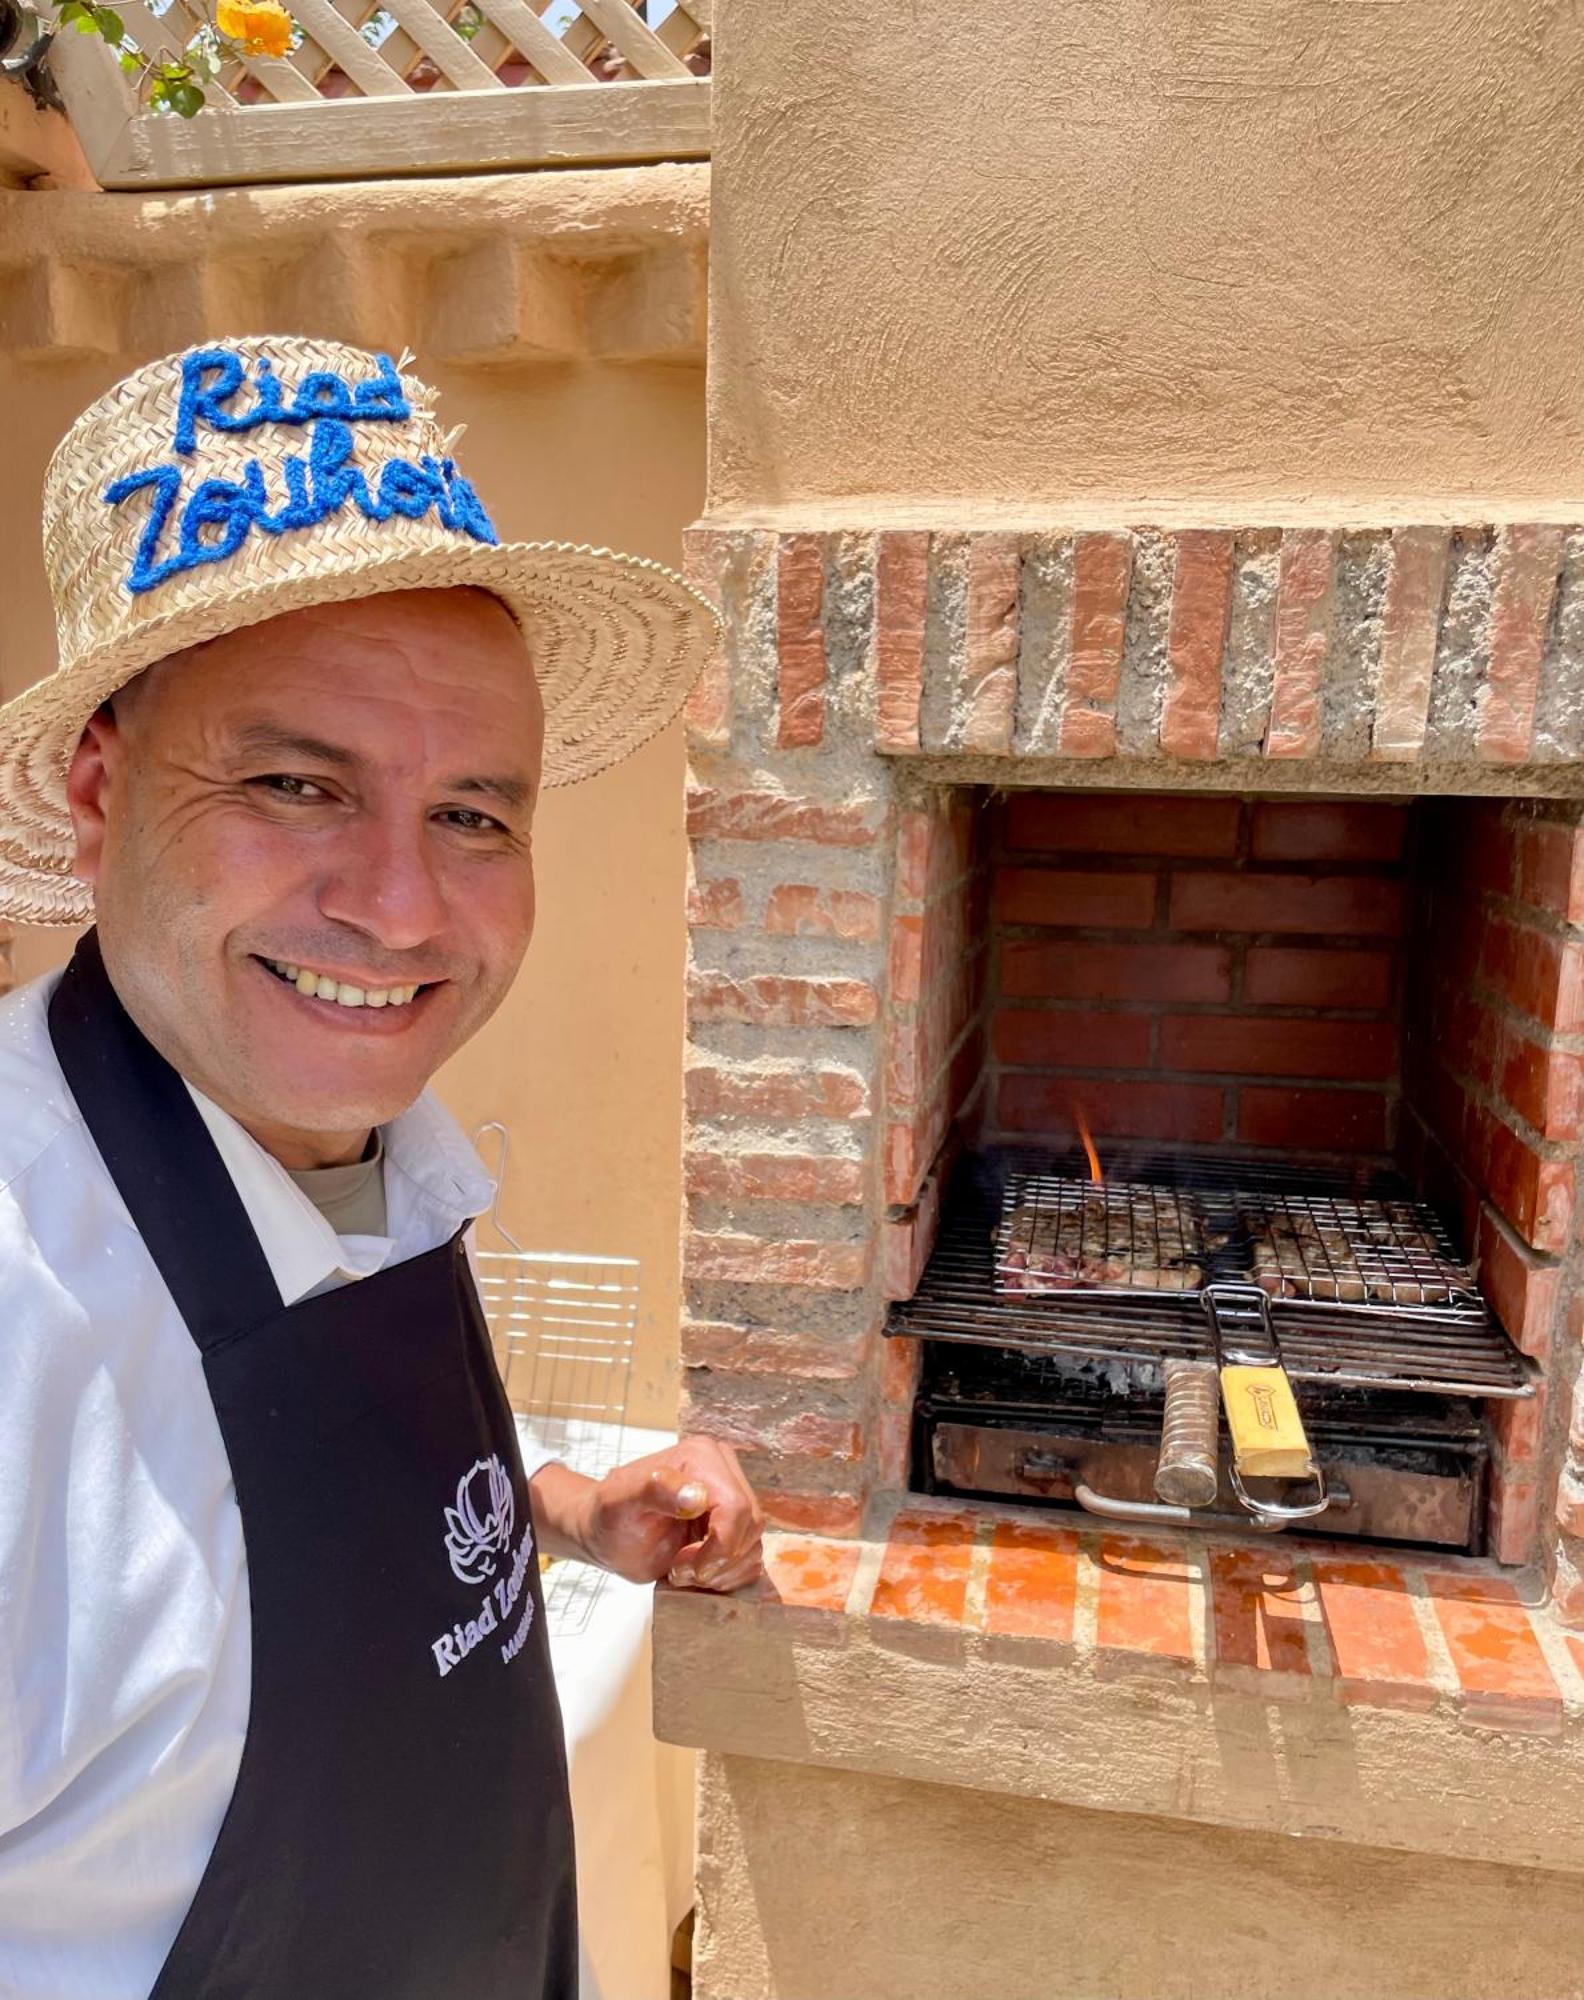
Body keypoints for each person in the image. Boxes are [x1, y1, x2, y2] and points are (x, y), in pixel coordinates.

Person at [0, 335, 763, 1999]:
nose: (405, 910)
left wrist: (563, 1513)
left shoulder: (362, 1154)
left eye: (475, 816)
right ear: (96, 789)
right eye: (295, 785)